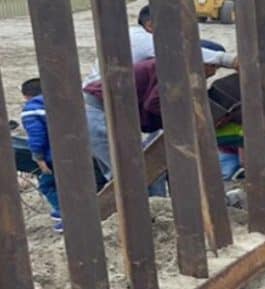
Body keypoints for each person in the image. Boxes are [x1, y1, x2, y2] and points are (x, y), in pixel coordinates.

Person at [83, 52, 236, 196]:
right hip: (101, 113)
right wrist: (190, 119)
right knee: (136, 175)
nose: (213, 73)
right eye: (213, 66)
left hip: (107, 114)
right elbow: (154, 104)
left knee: (134, 174)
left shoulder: (170, 68)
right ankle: (150, 217)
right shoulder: (176, 71)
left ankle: (150, 215)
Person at [83, 5, 236, 86]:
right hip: (99, 105)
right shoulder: (139, 38)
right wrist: (229, 60)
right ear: (151, 25)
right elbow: (179, 51)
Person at [20, 78, 63, 233]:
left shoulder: (32, 109)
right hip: (78, 150)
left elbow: (37, 136)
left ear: (26, 96)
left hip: (54, 155)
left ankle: (65, 213)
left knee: (47, 184)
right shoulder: (61, 100)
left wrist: (39, 158)